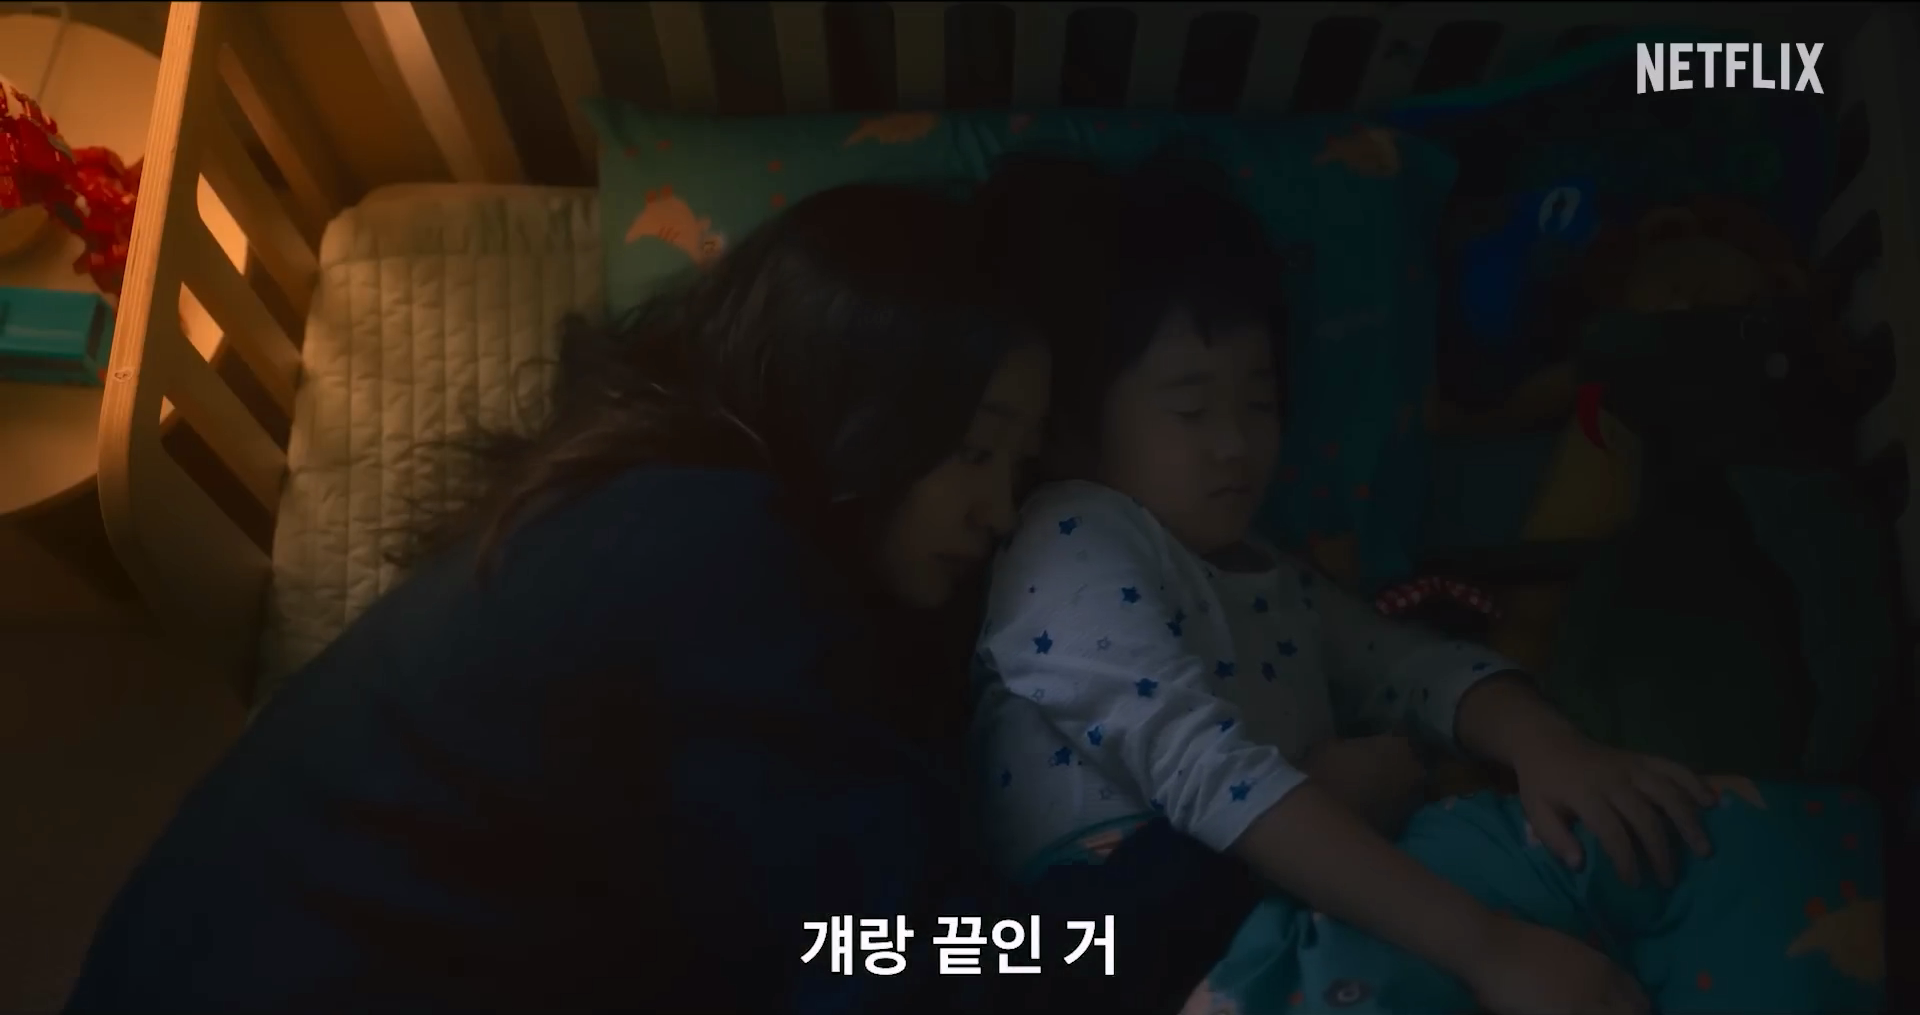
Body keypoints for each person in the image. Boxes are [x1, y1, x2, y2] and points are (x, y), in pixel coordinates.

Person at [66, 184, 1264, 1014]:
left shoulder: (636, 513)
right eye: (978, 448)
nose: (1001, 509)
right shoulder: (718, 547)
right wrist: (1235, 846)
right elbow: (904, 955)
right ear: (874, 403)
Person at [971, 155, 1722, 1015]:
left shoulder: (1266, 565)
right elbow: (1202, 768)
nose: (1236, 443)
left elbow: (1406, 663)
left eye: (1259, 403)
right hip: (1126, 947)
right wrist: (1492, 947)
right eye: (1191, 409)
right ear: (1075, 427)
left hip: (1280, 915)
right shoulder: (1075, 533)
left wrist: (1547, 744)